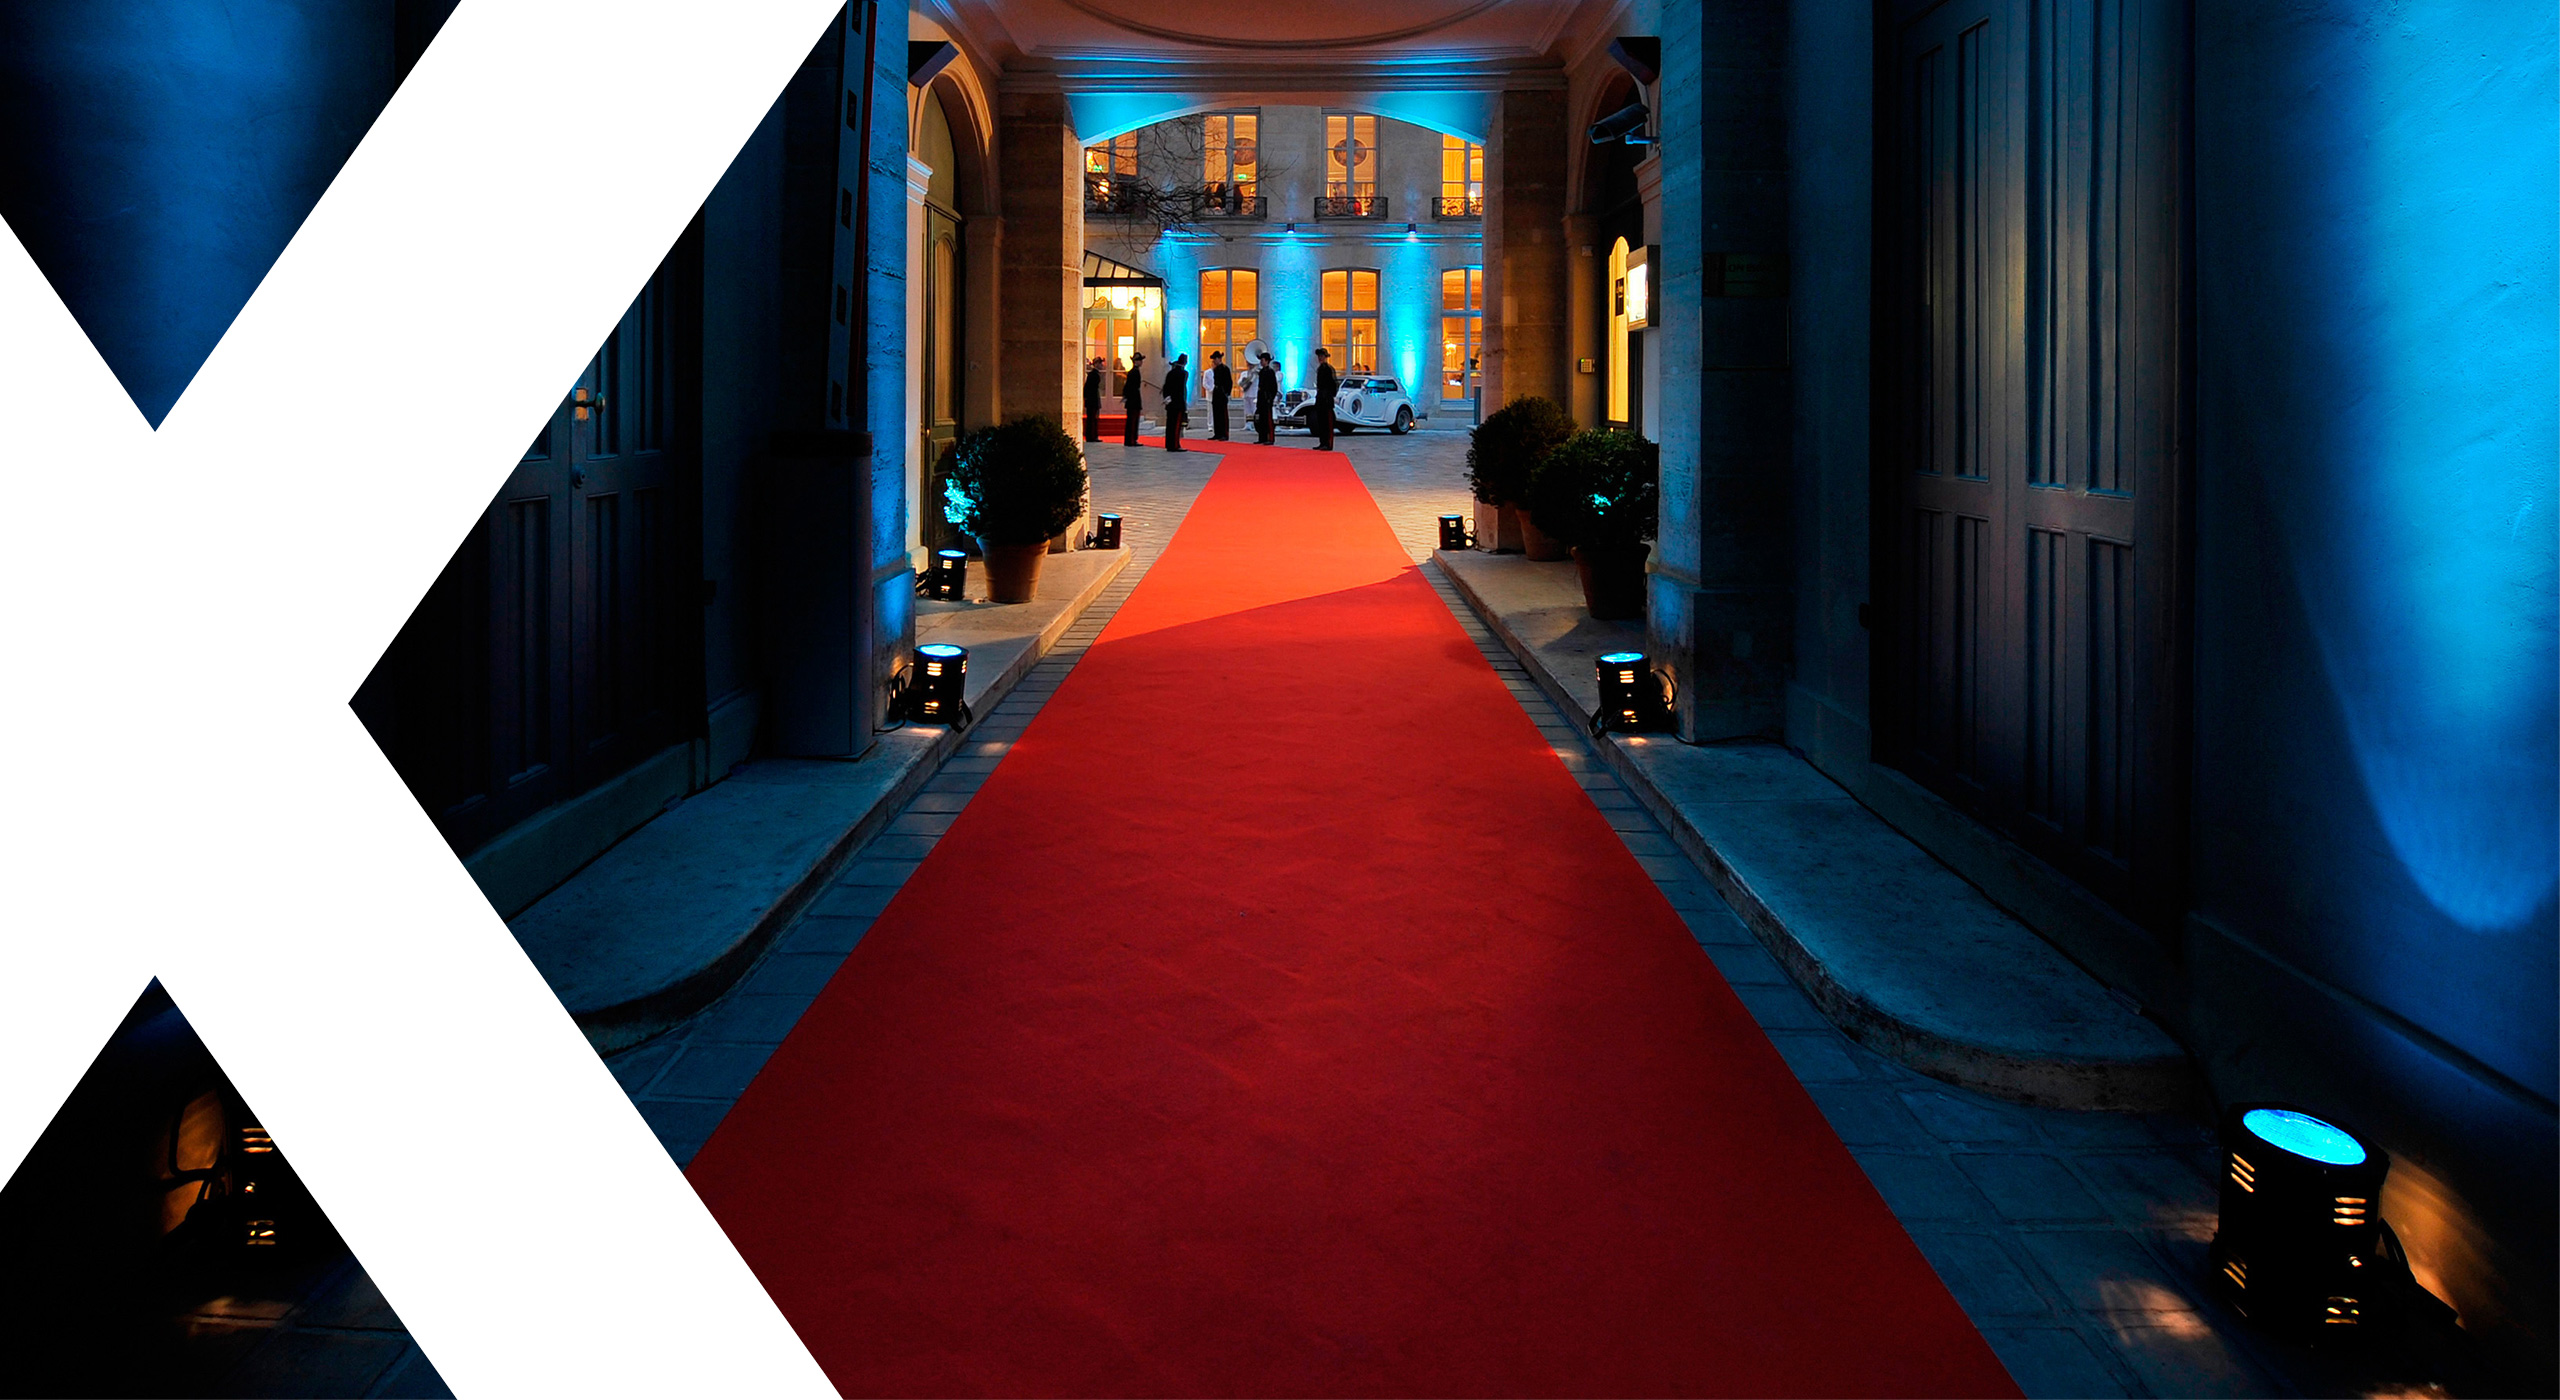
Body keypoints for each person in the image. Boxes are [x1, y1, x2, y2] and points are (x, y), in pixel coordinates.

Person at [1310, 347, 1339, 451]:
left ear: (1325, 357)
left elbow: (1334, 384)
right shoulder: (1320, 369)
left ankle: (1328, 443)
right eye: (1319, 356)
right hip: (1320, 398)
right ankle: (1322, 442)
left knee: (1328, 423)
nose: (1320, 358)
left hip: (1327, 398)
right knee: (1321, 422)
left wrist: (1330, 395)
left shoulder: (1329, 369)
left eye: (1322, 356)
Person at [1161, 353, 1190, 452]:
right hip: (1178, 403)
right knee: (1176, 425)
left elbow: (1166, 387)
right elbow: (1183, 390)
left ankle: (1169, 444)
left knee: (1170, 424)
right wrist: (1184, 405)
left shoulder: (1170, 373)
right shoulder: (1184, 373)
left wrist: (1167, 398)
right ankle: (1175, 445)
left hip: (1170, 402)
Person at [1121, 350, 1146, 447]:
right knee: (1133, 421)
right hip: (1134, 400)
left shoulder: (1133, 372)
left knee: (1131, 421)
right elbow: (1131, 387)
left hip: (1132, 400)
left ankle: (1130, 439)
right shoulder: (1134, 372)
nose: (1141, 362)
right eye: (1140, 360)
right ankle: (1131, 440)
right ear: (1136, 361)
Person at [1254, 353, 1279, 444]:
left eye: (1262, 360)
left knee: (1268, 419)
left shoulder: (1270, 372)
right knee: (1261, 419)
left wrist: (1270, 398)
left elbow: (1274, 387)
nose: (1261, 362)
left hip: (1267, 398)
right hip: (1261, 398)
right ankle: (1262, 437)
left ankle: (1270, 438)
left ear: (1267, 361)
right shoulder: (1262, 372)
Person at [1208, 351, 1233, 441]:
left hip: (1222, 392)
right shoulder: (1215, 369)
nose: (1214, 361)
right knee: (1216, 413)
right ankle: (1217, 433)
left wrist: (1227, 393)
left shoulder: (1225, 369)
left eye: (1215, 359)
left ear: (1219, 359)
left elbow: (1229, 382)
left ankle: (1224, 434)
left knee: (1223, 414)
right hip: (1216, 391)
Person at [1081, 356, 1105, 441]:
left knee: (1092, 419)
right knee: (1092, 419)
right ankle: (1092, 436)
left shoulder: (1093, 374)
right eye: (1100, 363)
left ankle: (1092, 436)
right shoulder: (1094, 374)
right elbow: (1089, 388)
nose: (1102, 365)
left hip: (1091, 400)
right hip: (1092, 400)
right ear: (1096, 364)